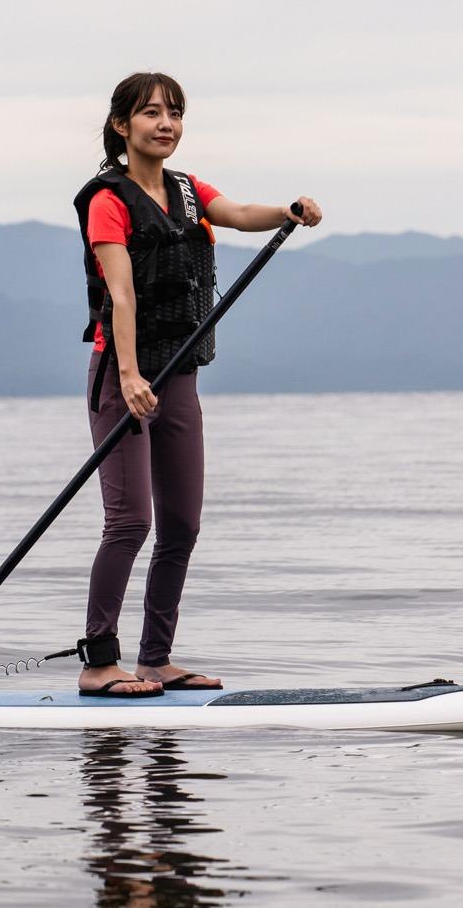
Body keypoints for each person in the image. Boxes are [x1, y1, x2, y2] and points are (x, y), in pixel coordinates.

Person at [69, 72, 321, 697]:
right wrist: (128, 375)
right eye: (151, 113)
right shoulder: (108, 199)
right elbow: (121, 294)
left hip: (178, 376)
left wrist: (286, 212)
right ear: (121, 125)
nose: (166, 124)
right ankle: (100, 662)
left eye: (175, 113)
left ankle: (155, 660)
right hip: (122, 375)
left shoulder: (187, 190)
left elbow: (235, 213)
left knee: (182, 524)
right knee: (130, 523)